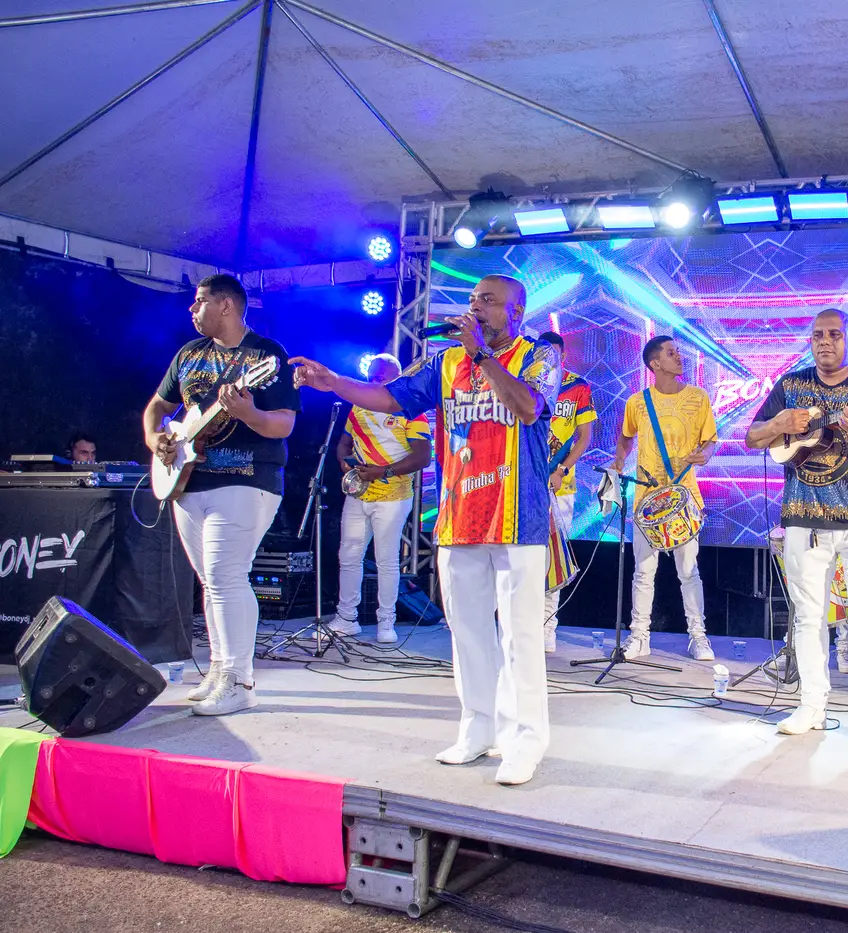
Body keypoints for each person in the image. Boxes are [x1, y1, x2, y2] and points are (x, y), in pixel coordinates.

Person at [291, 274, 559, 786]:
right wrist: (334, 382)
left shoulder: (539, 356)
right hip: (460, 515)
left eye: (488, 301)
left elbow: (528, 408)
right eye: (473, 299)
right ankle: (478, 728)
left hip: (518, 517)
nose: (476, 307)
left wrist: (482, 355)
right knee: (469, 633)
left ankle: (525, 739)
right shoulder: (445, 362)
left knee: (520, 635)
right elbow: (390, 399)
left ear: (517, 312)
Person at [745, 309, 848, 748]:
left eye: (835, 334)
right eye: (817, 335)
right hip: (803, 519)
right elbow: (752, 437)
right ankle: (811, 705)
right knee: (808, 618)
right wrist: (779, 424)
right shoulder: (791, 386)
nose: (825, 342)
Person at [143, 274, 299, 716]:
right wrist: (155, 438)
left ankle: (240, 681)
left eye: (199, 302)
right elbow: (158, 407)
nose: (192, 310)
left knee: (226, 575)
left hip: (246, 479)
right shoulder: (188, 354)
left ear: (226, 305)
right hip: (189, 481)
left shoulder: (266, 356)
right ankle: (219, 668)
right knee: (211, 580)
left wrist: (248, 413)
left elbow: (283, 424)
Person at [613, 335, 717, 661]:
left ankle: (698, 637)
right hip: (647, 498)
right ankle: (639, 636)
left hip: (684, 497)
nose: (679, 357)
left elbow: (710, 441)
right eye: (671, 353)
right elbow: (625, 438)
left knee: (689, 571)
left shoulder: (698, 398)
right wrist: (618, 462)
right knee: (644, 572)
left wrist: (705, 455)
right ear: (655, 364)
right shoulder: (637, 402)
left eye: (678, 352)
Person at [329, 353, 431, 645]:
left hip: (393, 496)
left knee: (386, 560)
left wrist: (383, 471)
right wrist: (344, 461)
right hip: (359, 492)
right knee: (349, 556)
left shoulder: (411, 410)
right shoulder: (358, 407)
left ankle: (386, 622)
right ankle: (346, 618)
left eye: (380, 377)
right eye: (371, 377)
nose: (374, 381)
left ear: (396, 378)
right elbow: (343, 443)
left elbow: (423, 457)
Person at [537, 331, 596, 652]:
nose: (549, 359)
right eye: (543, 353)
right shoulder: (525, 382)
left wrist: (561, 469)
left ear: (563, 355)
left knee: (553, 557)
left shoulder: (577, 387)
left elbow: (584, 437)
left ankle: (548, 627)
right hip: (523, 482)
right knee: (521, 554)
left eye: (554, 354)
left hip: (560, 484)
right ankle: (521, 624)